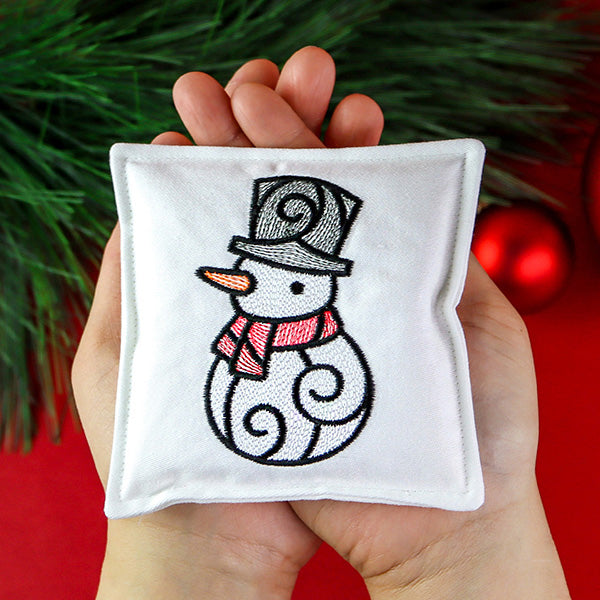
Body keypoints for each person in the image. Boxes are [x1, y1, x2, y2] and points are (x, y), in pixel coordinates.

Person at [71, 46, 571, 599]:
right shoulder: (245, 340)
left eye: (290, 283)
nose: (257, 289)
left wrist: (465, 550)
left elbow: (338, 391)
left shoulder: (321, 346)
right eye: (257, 275)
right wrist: (189, 557)